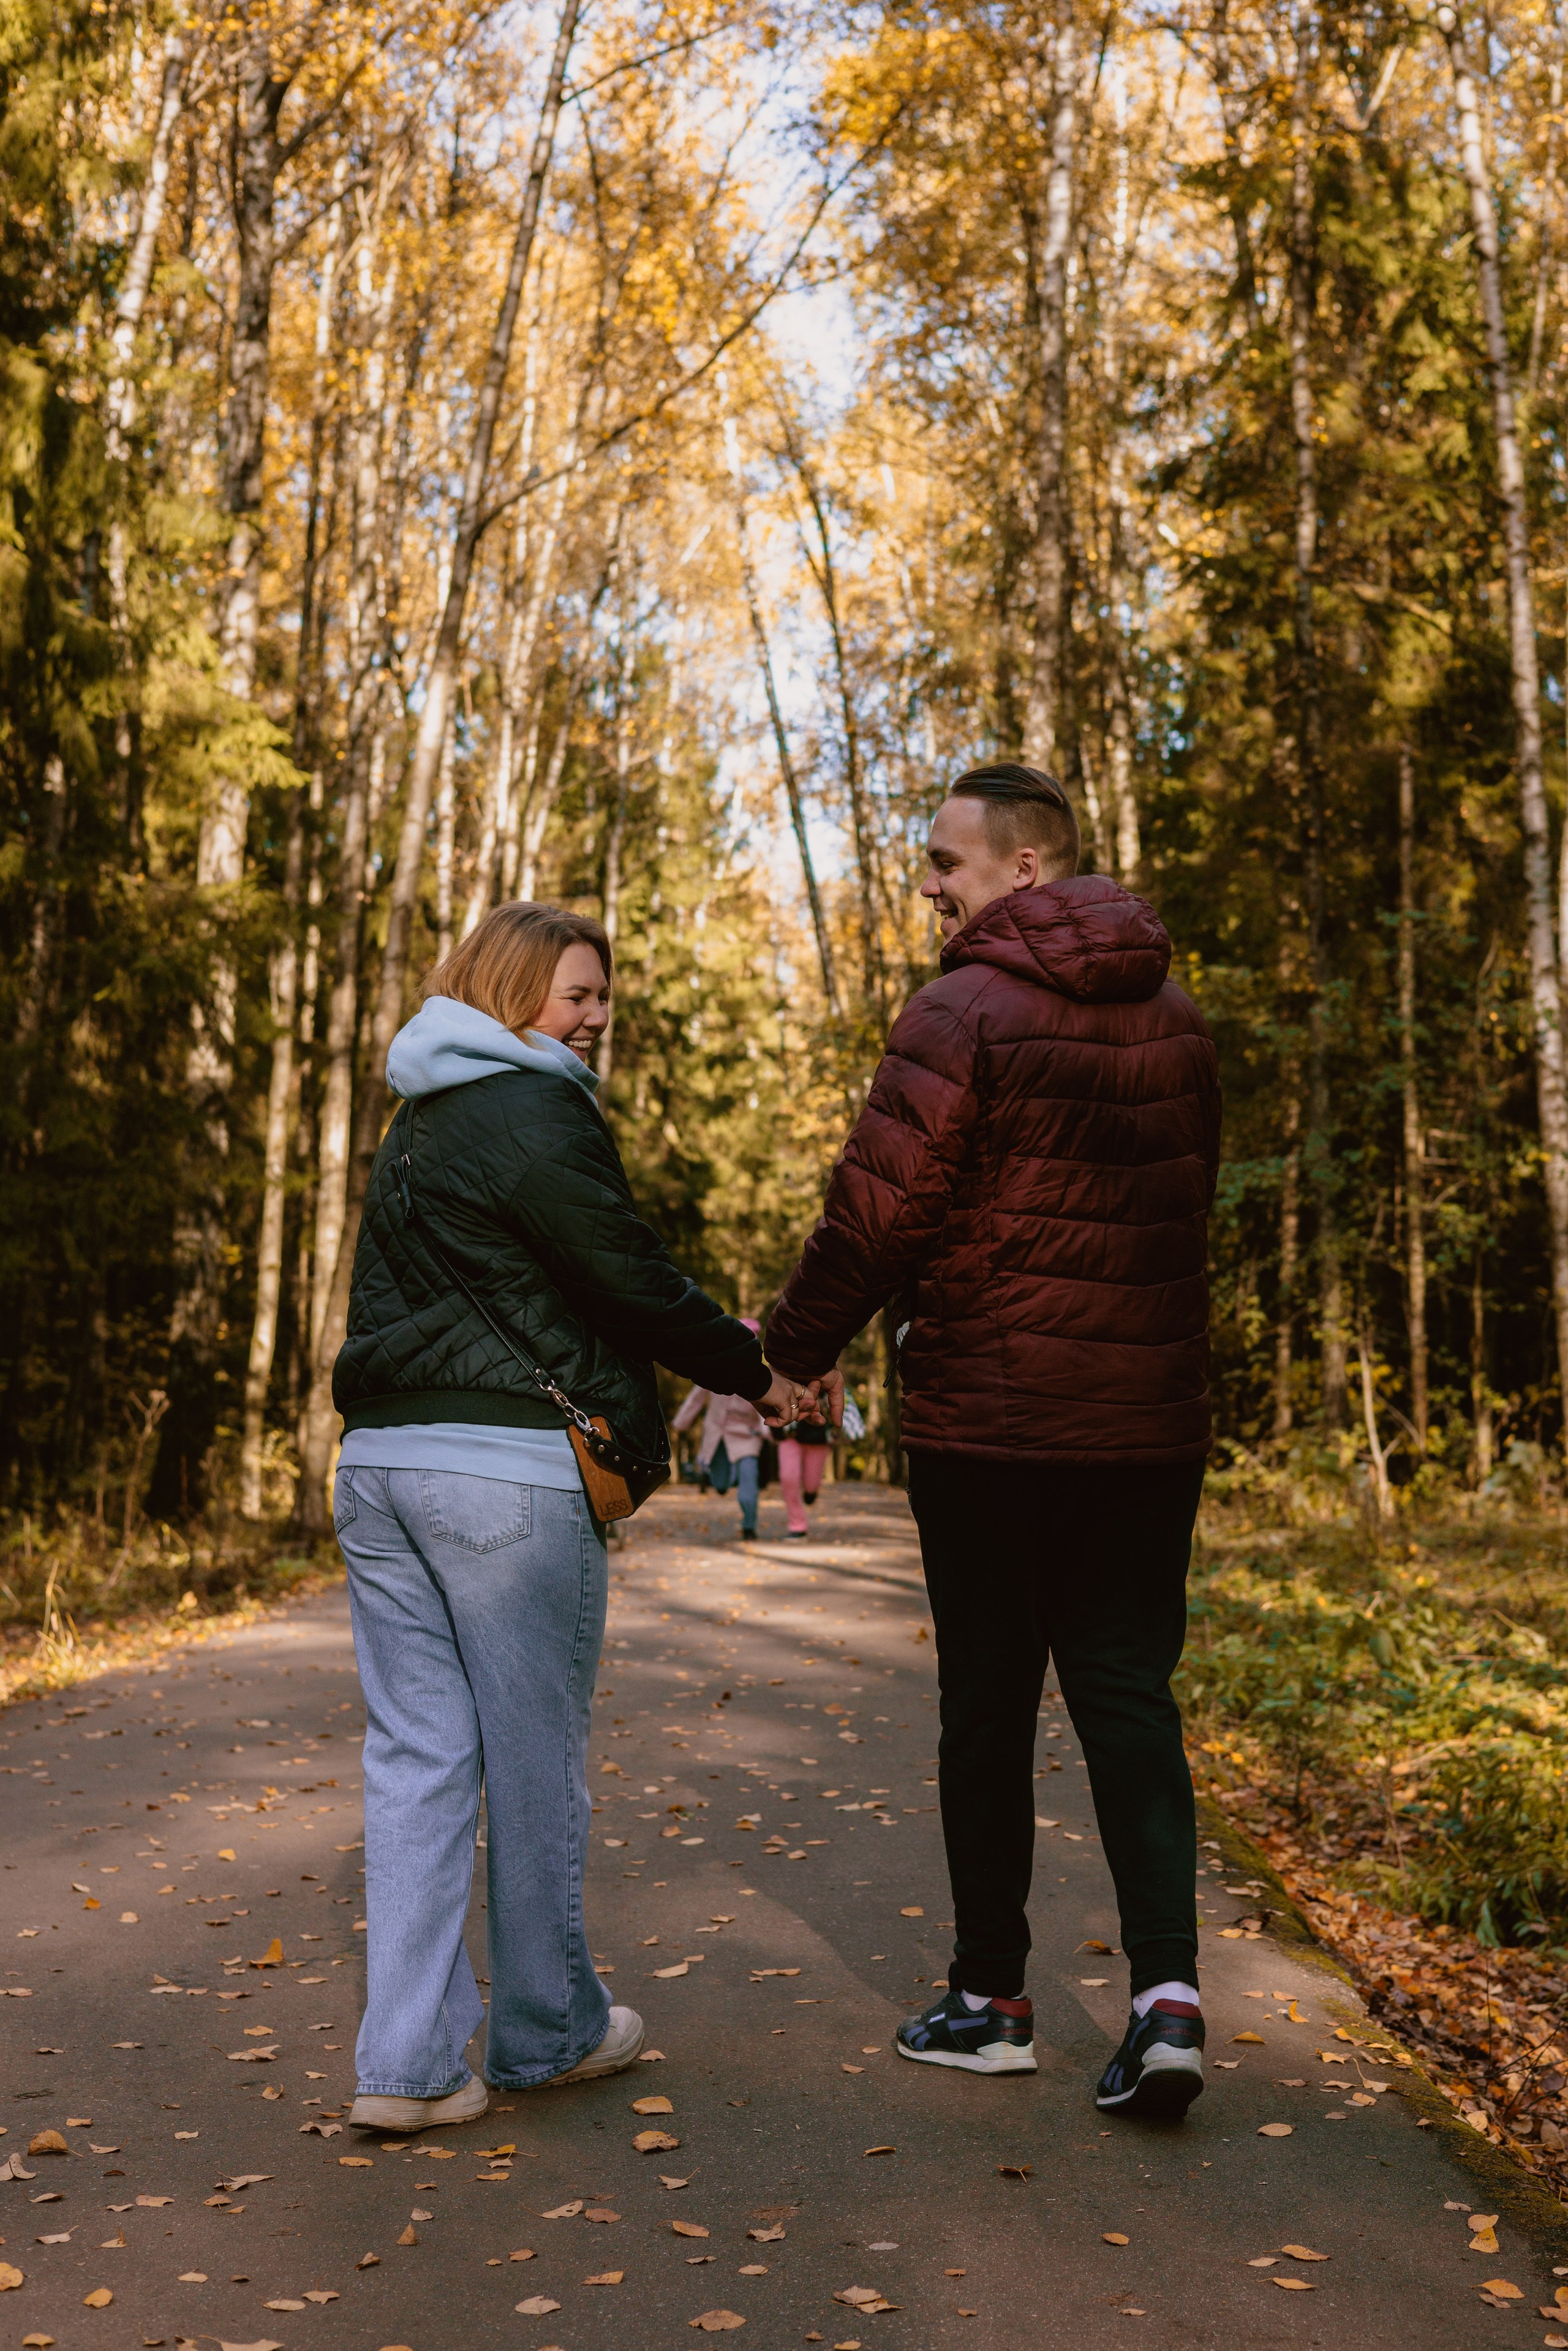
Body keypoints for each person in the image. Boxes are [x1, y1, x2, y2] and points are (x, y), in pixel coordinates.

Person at [767, 765, 1221, 2119]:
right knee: (1128, 1695)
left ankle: (990, 2000)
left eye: (944, 860)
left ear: (1024, 870)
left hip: (992, 1422)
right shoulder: (1179, 1020)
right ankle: (1167, 2001)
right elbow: (1183, 1216)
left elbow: (878, 1208)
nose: (926, 881)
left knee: (986, 1707)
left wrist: (792, 1350)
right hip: (1146, 1422)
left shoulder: (960, 1007)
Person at [331, 902, 799, 2132]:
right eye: (575, 993)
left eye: (603, 998)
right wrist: (758, 1369)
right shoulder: (534, 1108)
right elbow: (626, 1277)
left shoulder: (415, 1120)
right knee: (530, 1755)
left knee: (418, 1755)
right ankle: (546, 2028)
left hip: (378, 1461)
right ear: (506, 989)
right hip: (501, 1475)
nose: (595, 1018)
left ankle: (411, 2065)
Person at [671, 1330, 769, 1539]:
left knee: (749, 1482)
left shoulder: (759, 1374)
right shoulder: (712, 1370)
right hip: (718, 1436)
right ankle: (723, 1481)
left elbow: (765, 1405)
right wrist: (680, 1424)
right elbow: (695, 1400)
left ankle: (749, 1526)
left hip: (747, 1436)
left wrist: (767, 1429)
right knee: (720, 1483)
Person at [776, 1405, 829, 1537]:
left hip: (818, 1435)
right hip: (788, 1434)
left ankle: (811, 1492)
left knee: (811, 1483)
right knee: (788, 1477)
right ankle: (797, 1524)